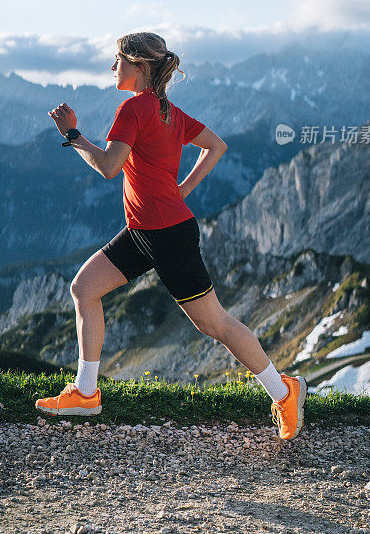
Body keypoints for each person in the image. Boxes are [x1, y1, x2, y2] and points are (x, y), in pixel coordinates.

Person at [35, 32, 307, 440]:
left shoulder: (133, 108)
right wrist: (181, 191)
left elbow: (110, 166)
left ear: (140, 66)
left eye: (119, 60)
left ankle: (285, 390)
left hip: (167, 235)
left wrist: (73, 135)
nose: (114, 68)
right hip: (145, 231)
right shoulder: (168, 111)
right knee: (84, 288)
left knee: (215, 324)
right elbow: (215, 146)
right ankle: (86, 393)